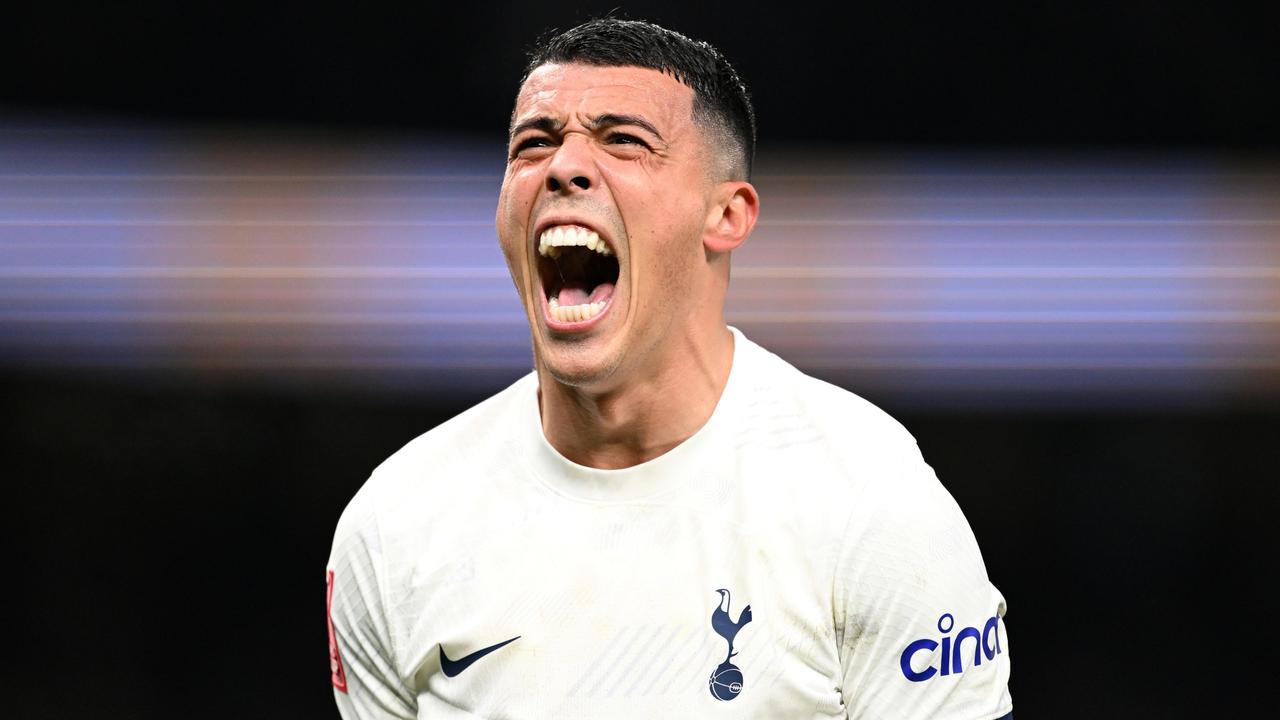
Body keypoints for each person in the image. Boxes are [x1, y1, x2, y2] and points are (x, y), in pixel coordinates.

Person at [326, 17, 1012, 720]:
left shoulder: (871, 504)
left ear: (727, 215)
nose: (563, 166)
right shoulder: (394, 527)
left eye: (623, 140)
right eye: (534, 144)